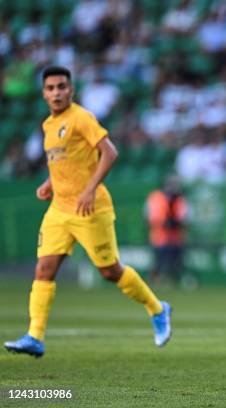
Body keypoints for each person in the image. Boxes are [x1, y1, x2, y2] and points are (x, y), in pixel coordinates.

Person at [4, 66, 172, 358]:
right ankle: (35, 336)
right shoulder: (47, 125)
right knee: (44, 268)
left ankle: (157, 309)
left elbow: (110, 152)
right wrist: (48, 183)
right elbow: (64, 162)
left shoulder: (81, 118)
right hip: (59, 209)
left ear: (71, 90)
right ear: (44, 93)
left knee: (110, 271)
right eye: (51, 88)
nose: (56, 93)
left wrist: (90, 188)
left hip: (90, 208)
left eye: (61, 87)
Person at [146, 176, 189, 283]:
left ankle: (171, 280)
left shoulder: (180, 199)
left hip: (176, 238)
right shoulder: (156, 197)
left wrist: (177, 222)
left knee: (175, 263)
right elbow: (151, 217)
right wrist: (164, 222)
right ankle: (156, 280)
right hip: (159, 237)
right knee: (159, 262)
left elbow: (184, 217)